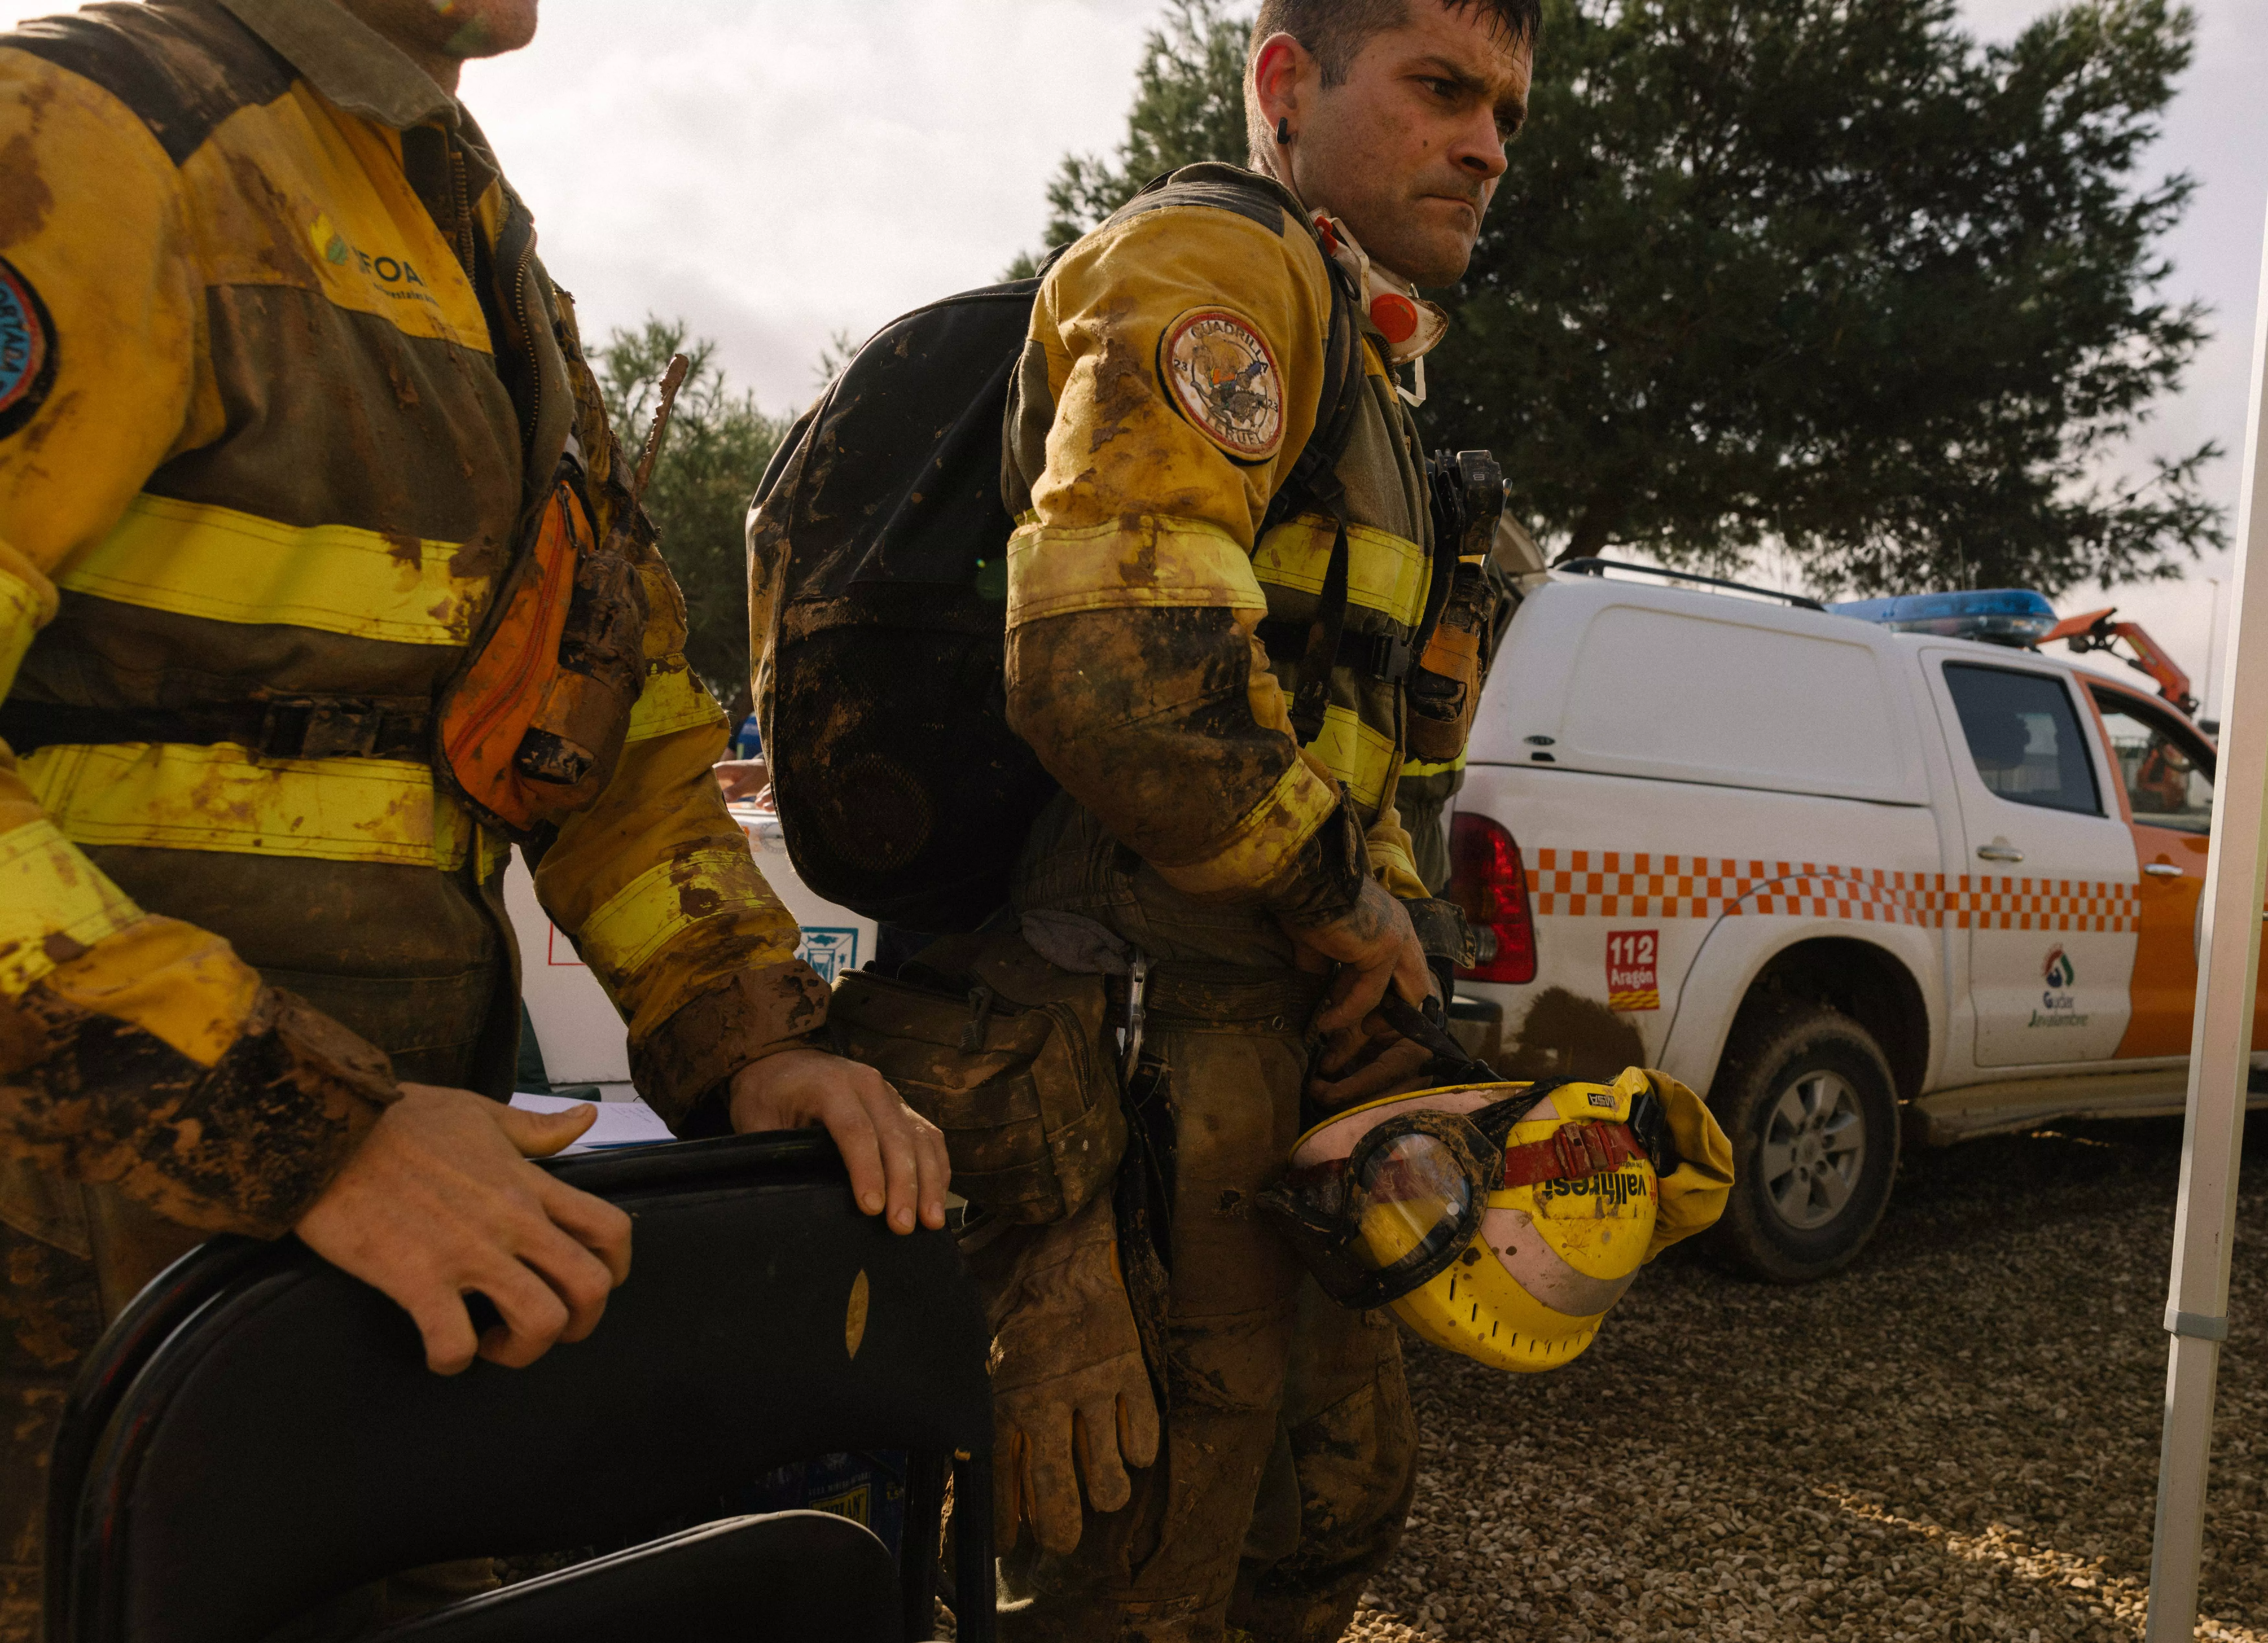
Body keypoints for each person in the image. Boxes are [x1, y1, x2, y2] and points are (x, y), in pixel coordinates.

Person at [0, 1, 945, 1631]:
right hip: (74, 1278)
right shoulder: (87, 132)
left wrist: (748, 1037)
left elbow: (612, 718)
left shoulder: (459, 225)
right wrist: (306, 1127)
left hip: (379, 1265)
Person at [991, 1, 1536, 1637]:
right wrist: (1340, 904)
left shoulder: (1362, 366)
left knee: (1325, 1511)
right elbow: (1110, 670)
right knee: (1139, 1575)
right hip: (1130, 1052)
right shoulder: (1220, 274)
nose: (1487, 147)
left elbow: (1347, 736)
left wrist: (1391, 968)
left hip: (1269, 1065)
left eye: (1505, 108)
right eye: (1441, 89)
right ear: (1284, 87)